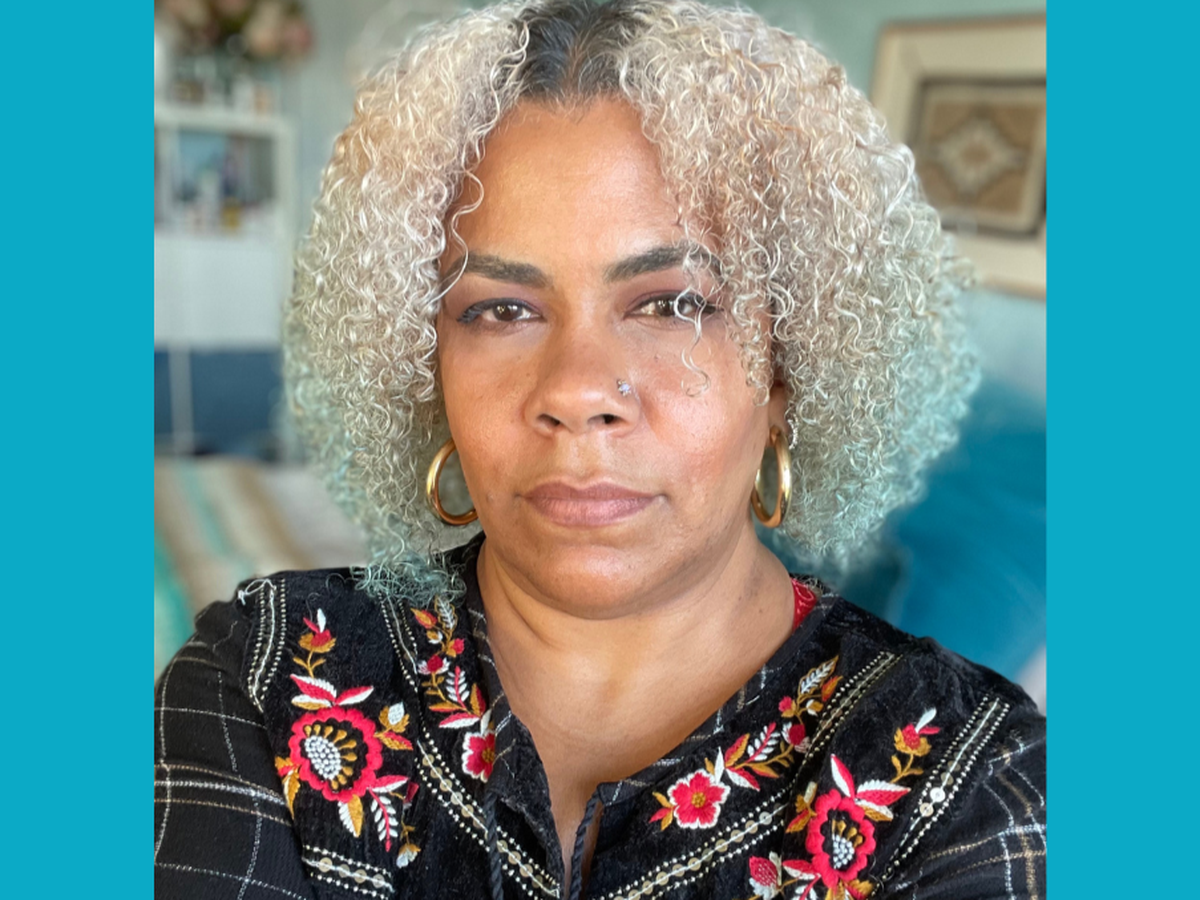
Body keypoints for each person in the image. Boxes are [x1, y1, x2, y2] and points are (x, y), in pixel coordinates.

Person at [153, 2, 1045, 898]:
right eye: (502, 309)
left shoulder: (968, 784)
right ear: (427, 364)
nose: (577, 391)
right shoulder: (266, 677)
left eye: (672, 304)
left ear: (787, 371)